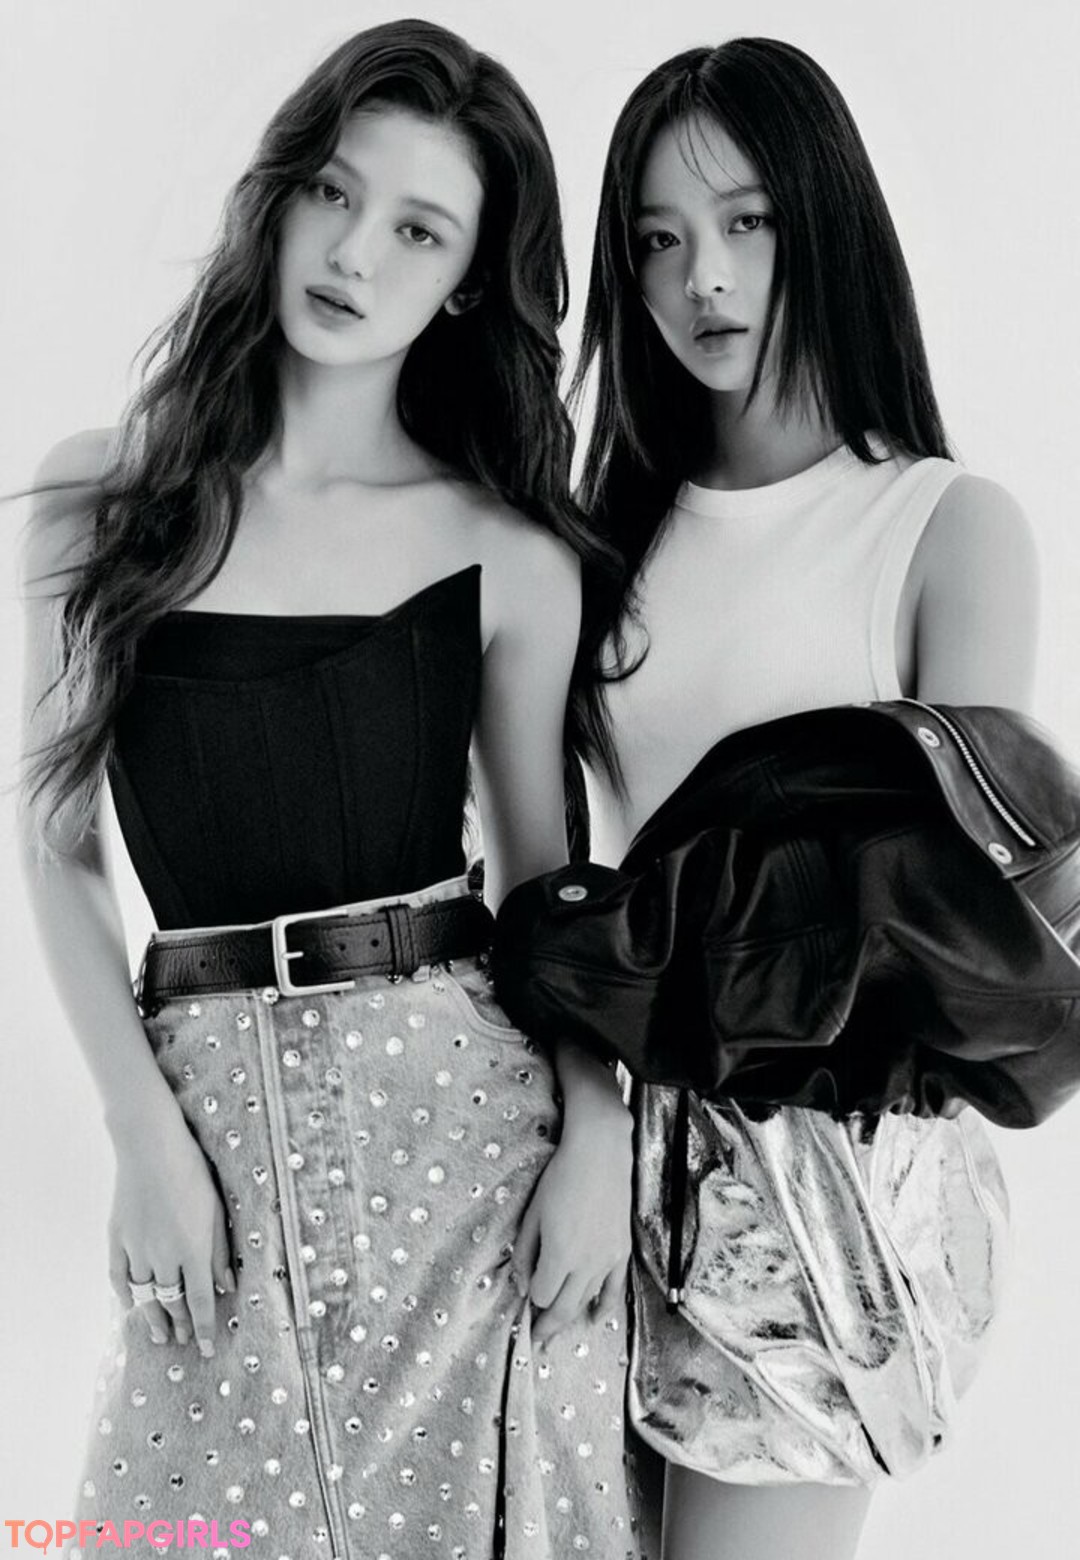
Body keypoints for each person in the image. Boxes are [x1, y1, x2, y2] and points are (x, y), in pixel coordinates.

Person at [20, 21, 653, 1559]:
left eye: (421, 230)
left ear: (469, 285)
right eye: (334, 192)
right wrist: (140, 1133)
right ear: (280, 192)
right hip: (205, 1130)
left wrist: (598, 1130)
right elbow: (54, 844)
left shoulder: (507, 555)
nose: (357, 252)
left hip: (466, 1142)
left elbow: (545, 891)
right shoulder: (97, 499)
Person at [571, 37, 1038, 1560]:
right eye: (658, 239)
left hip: (820, 1170)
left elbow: (953, 927)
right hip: (595, 1140)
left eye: (747, 222)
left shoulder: (940, 527)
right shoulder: (602, 541)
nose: (702, 276)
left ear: (826, 218)